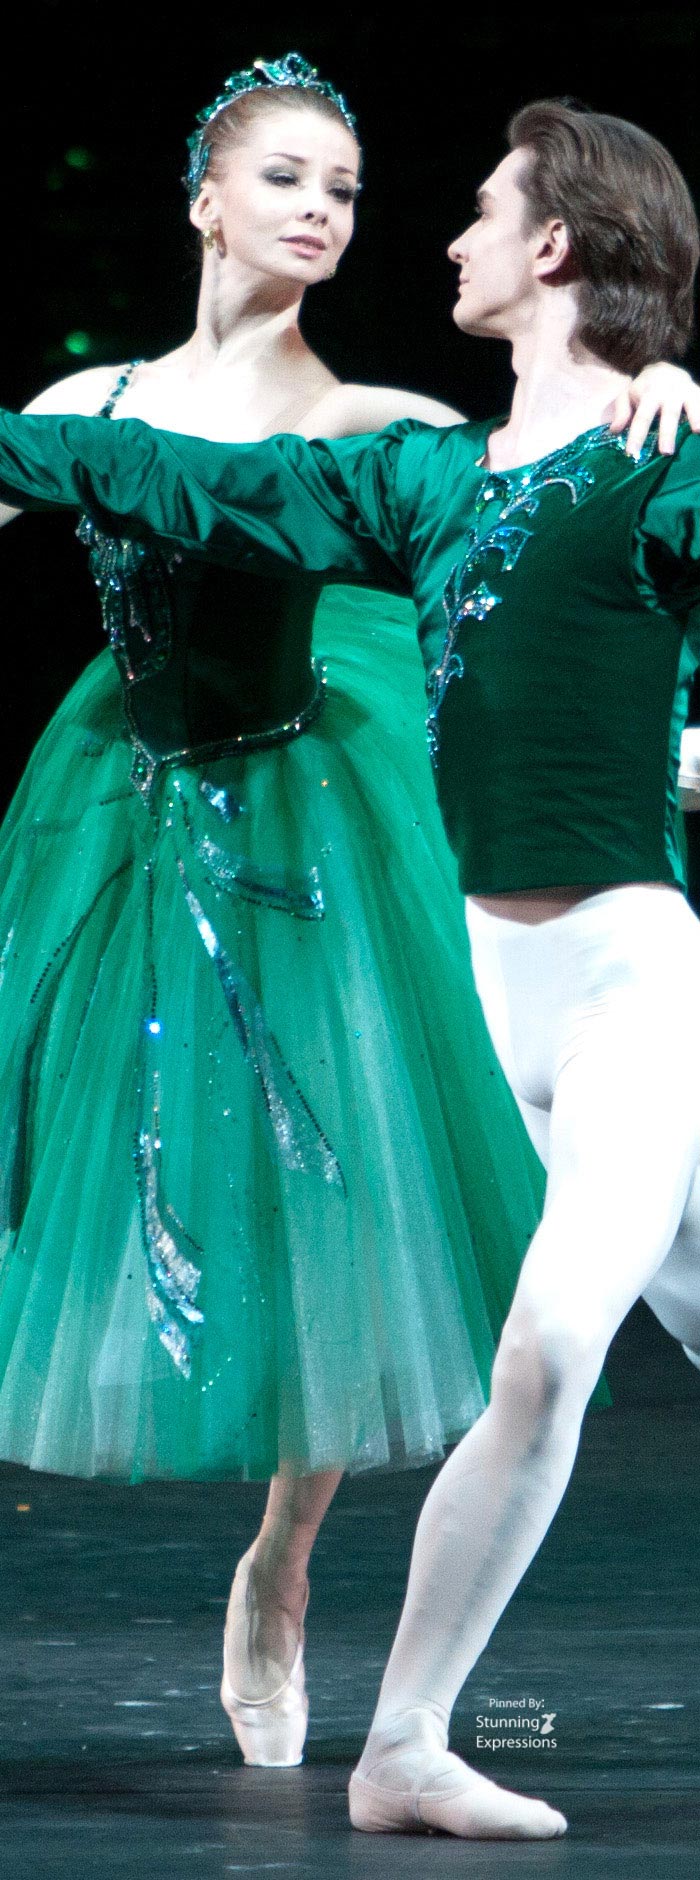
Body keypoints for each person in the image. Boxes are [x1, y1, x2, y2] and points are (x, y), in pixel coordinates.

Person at [0, 93, 699, 1835]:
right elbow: (185, 482)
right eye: (296, 180)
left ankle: (396, 1740)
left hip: (619, 974)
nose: (431, 238)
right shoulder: (426, 479)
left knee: (546, 1347)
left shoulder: (648, 456)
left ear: (552, 245)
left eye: (469, 211)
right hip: (482, 984)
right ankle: (401, 1745)